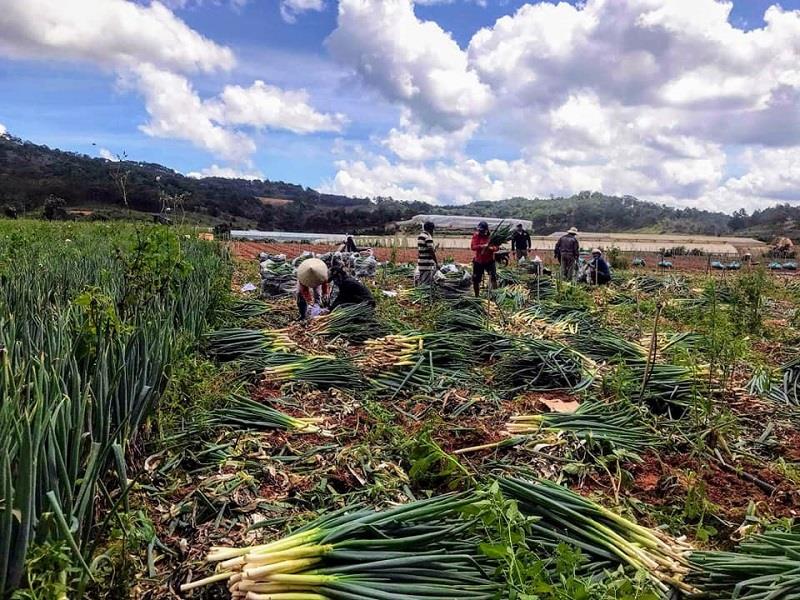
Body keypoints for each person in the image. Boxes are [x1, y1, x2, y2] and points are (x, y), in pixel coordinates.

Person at [471, 221, 498, 296]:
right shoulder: (476, 236)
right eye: (479, 230)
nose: (480, 232)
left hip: (489, 261)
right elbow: (473, 247)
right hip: (478, 261)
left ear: (486, 230)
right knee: (476, 280)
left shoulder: (491, 237)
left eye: (482, 230)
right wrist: (482, 246)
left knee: (493, 277)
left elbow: (497, 247)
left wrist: (491, 248)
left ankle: (496, 295)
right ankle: (477, 296)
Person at [416, 221, 439, 288]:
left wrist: (434, 248)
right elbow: (431, 251)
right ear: (431, 229)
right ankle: (423, 296)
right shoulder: (428, 237)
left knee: (422, 281)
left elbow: (424, 249)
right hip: (427, 264)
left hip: (421, 263)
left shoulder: (420, 236)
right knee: (426, 284)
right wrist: (436, 263)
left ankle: (421, 294)